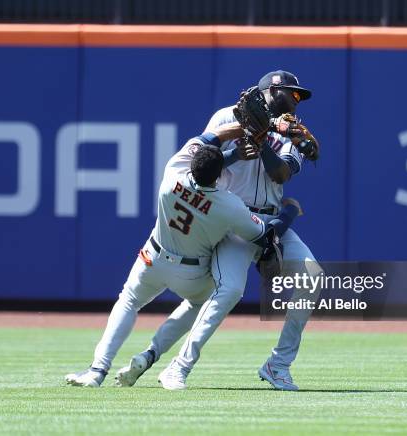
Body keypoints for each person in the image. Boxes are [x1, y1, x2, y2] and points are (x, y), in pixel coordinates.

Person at [117, 70, 323, 391]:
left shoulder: (288, 130)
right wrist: (247, 138)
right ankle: (177, 368)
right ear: (272, 90)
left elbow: (281, 174)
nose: (297, 102)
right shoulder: (227, 117)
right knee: (229, 291)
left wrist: (263, 141)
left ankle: (278, 364)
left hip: (269, 218)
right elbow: (204, 164)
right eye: (293, 94)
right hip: (234, 220)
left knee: (313, 277)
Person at [65, 121, 301, 387]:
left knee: (128, 302)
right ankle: (153, 353)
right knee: (199, 305)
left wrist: (234, 145)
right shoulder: (229, 205)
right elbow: (263, 237)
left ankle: (97, 370)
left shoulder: (173, 170)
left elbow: (208, 138)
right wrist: (289, 211)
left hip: (152, 257)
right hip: (191, 271)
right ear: (219, 176)